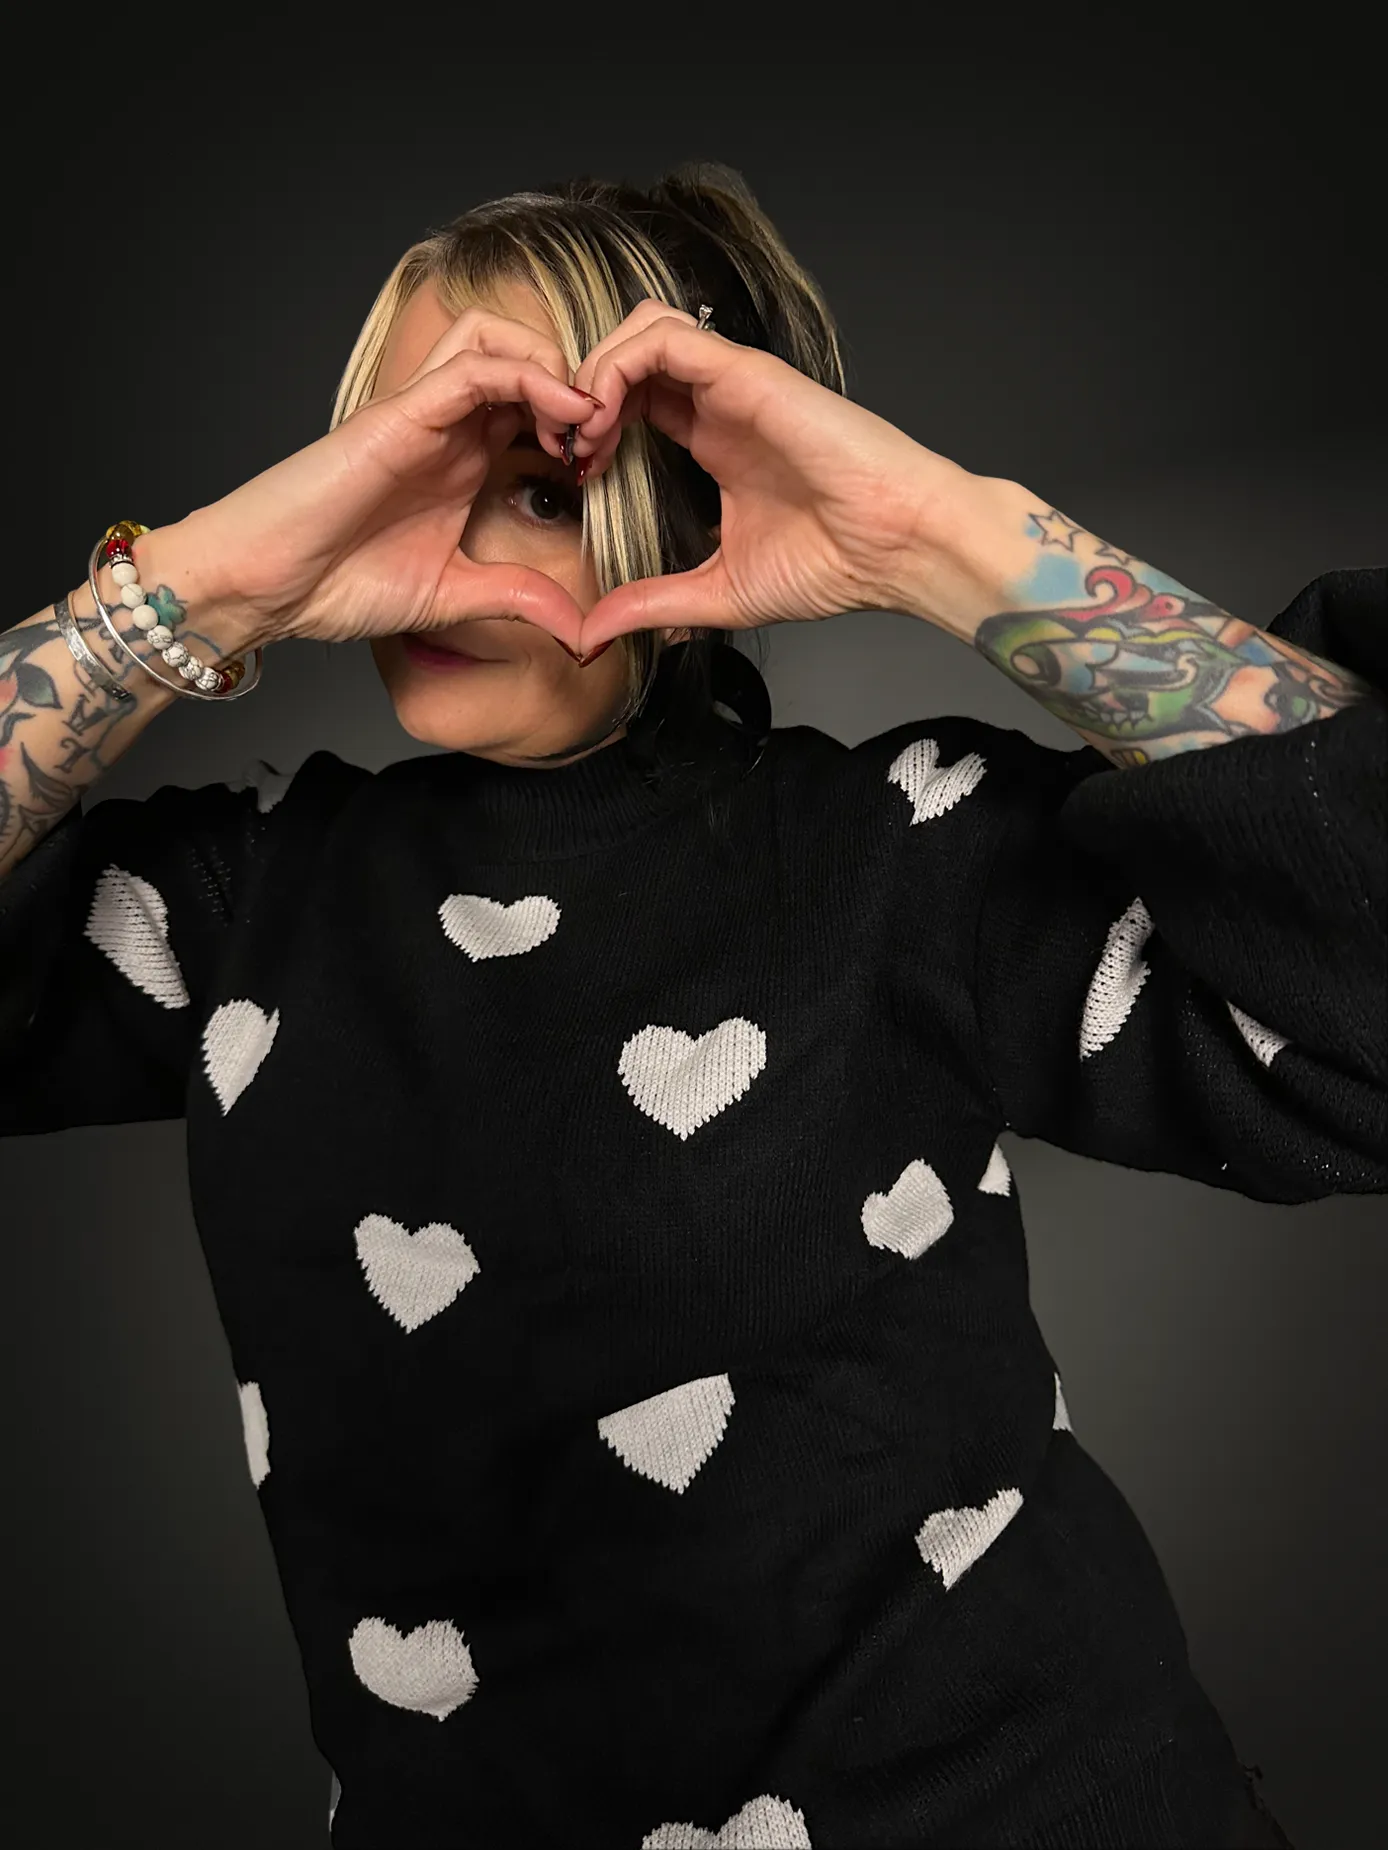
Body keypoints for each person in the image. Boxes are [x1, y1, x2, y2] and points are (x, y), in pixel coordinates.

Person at [2, 162, 1380, 1850]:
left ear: (695, 500)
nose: (432, 555)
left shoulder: (904, 857)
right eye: (387, 476)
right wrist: (191, 596)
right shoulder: (239, 910)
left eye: (526, 486)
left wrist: (946, 539)